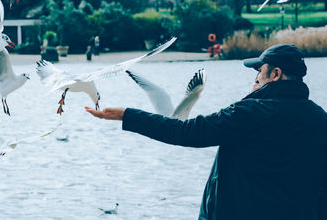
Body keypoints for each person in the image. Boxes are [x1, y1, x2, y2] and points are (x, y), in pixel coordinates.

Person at [85, 44, 327, 220]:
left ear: (275, 75)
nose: (254, 78)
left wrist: (127, 115)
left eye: (259, 72)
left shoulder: (249, 112)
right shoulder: (320, 119)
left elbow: (185, 132)